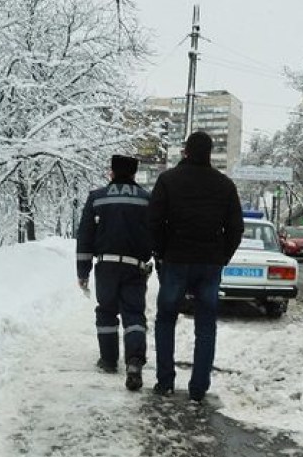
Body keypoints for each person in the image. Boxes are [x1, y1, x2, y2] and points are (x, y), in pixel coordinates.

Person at [149, 131, 244, 402]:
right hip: (209, 264)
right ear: (210, 153)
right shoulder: (225, 185)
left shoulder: (168, 180)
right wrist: (221, 256)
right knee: (206, 325)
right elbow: (235, 228)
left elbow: (154, 221)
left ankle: (165, 381)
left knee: (166, 319)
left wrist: (160, 253)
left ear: (186, 152)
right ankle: (199, 387)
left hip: (175, 259)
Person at [77, 154, 153, 392]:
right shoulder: (147, 199)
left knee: (107, 312)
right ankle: (134, 362)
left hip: (106, 266)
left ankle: (109, 360)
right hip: (135, 266)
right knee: (134, 315)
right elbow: (155, 233)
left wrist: (83, 271)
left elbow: (85, 237)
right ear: (133, 174)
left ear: (111, 172)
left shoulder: (96, 198)